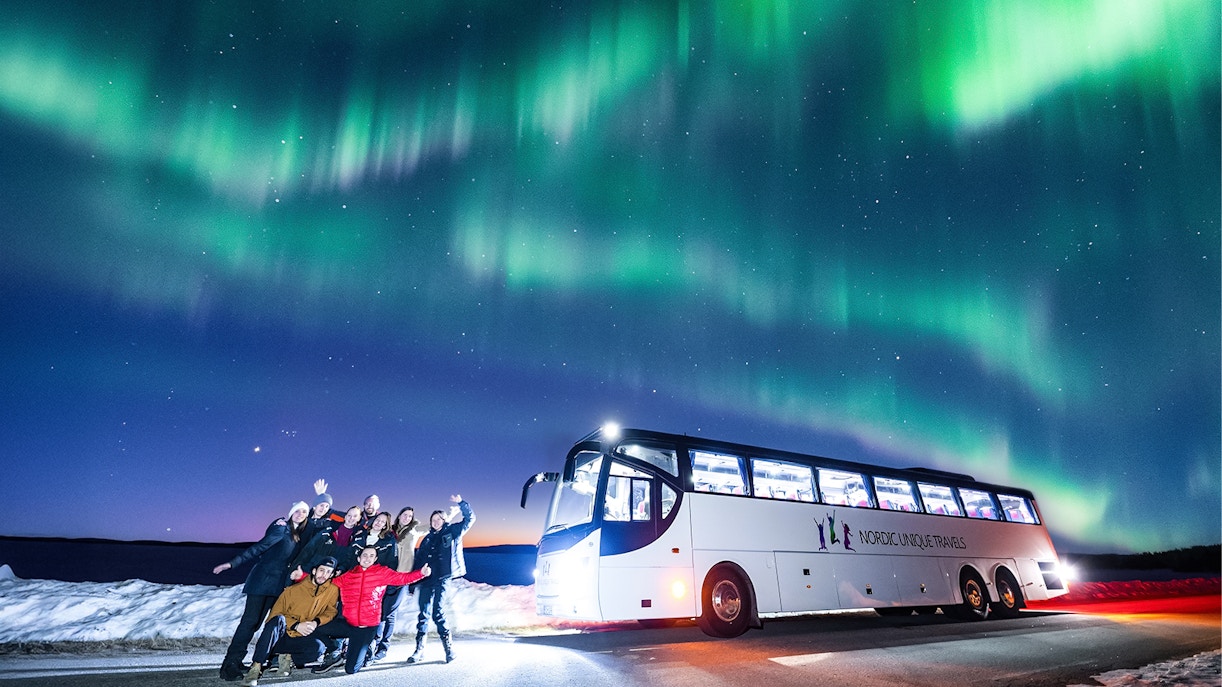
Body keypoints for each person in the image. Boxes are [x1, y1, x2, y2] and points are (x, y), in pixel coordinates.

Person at [213, 501, 311, 682]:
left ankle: (242, 660)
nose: (300, 514)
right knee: (249, 622)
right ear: (291, 512)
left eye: (304, 512)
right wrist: (232, 563)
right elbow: (260, 547)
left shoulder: (297, 534)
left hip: (276, 586)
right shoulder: (281, 528)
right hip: (262, 581)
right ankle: (229, 666)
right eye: (297, 510)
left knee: (259, 624)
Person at [307, 546, 432, 675]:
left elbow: (402, 578)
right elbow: (326, 582)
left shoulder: (382, 573)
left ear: (376, 559)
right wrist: (302, 577)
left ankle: (366, 647)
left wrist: (421, 573)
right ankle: (335, 650)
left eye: (372, 556)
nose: (368, 558)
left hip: (367, 628)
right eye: (365, 555)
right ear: (359, 558)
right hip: (348, 624)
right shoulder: (349, 576)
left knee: (351, 669)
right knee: (313, 626)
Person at [239, 556, 341, 686]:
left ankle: (288, 657)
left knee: (317, 649)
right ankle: (256, 667)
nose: (324, 575)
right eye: (321, 570)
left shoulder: (332, 591)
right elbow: (274, 615)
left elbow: (331, 611)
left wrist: (316, 621)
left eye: (328, 572)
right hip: (283, 635)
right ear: (314, 571)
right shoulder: (292, 590)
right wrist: (296, 625)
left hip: (301, 636)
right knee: (277, 620)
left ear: (332, 574)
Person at [409, 494, 474, 664]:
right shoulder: (427, 538)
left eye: (439, 519)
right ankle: (419, 650)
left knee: (438, 613)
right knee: (423, 614)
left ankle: (449, 648)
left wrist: (461, 503)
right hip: (426, 580)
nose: (436, 521)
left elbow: (470, 518)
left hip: (443, 578)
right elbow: (419, 560)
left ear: (444, 520)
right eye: (433, 519)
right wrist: (413, 581)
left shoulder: (452, 531)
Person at [371, 506, 428, 661]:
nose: (407, 518)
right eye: (405, 514)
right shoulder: (390, 531)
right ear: (399, 515)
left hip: (402, 577)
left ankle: (383, 647)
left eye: (410, 516)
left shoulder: (414, 529)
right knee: (380, 610)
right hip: (386, 576)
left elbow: (433, 525)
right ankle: (373, 644)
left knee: (389, 613)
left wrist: (448, 515)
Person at [289, 505, 363, 575]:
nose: (351, 518)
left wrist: (341, 569)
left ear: (359, 518)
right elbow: (310, 548)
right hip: (313, 568)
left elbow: (348, 559)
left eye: (355, 516)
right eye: (349, 515)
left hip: (332, 573)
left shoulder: (358, 537)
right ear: (345, 516)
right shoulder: (330, 527)